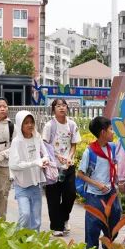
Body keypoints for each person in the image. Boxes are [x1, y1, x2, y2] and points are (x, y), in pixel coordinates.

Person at [77, 116, 124, 249]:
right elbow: (80, 174)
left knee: (115, 224)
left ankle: (106, 244)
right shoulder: (90, 152)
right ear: (103, 132)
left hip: (110, 193)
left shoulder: (112, 148)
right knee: (92, 229)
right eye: (111, 129)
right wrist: (97, 184)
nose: (113, 132)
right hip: (94, 196)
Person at [41, 98, 81, 236]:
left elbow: (74, 144)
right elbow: (44, 145)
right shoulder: (49, 126)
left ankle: (64, 218)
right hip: (53, 167)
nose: (62, 108)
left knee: (70, 194)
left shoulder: (72, 124)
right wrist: (57, 156)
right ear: (53, 109)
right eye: (58, 106)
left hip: (68, 166)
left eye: (64, 105)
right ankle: (56, 227)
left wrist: (69, 157)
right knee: (53, 197)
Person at [9, 110, 52, 231]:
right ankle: (18, 238)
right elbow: (14, 165)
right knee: (25, 215)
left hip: (35, 184)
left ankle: (34, 240)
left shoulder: (37, 137)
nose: (30, 125)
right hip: (21, 185)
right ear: (20, 124)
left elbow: (46, 154)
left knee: (36, 219)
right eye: (26, 122)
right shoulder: (17, 142)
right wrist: (34, 163)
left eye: (31, 122)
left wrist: (44, 160)